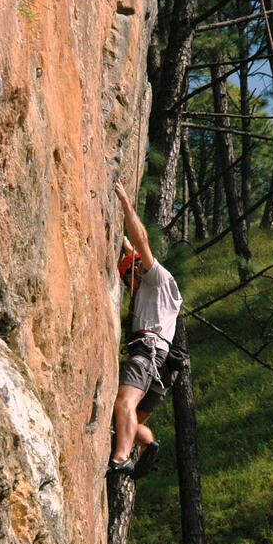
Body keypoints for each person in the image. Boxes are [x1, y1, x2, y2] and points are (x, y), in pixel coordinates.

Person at [108, 180, 183, 478]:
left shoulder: (157, 278)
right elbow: (134, 250)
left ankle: (122, 457)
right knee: (133, 421)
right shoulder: (161, 292)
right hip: (160, 365)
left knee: (123, 402)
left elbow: (141, 244)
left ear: (139, 270)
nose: (130, 285)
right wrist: (126, 247)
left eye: (130, 278)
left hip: (147, 353)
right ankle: (149, 445)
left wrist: (126, 202)